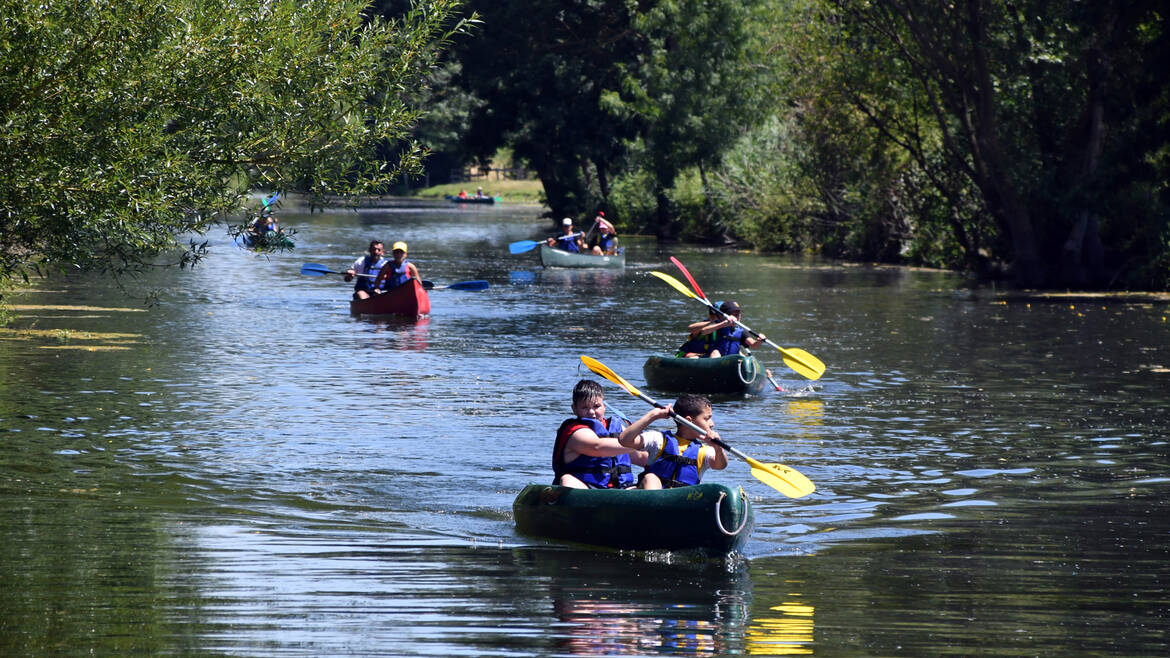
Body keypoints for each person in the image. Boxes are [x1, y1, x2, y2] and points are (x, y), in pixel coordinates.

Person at [618, 394, 728, 489]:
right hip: (652, 497)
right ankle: (655, 505)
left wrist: (718, 447)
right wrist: (653, 416)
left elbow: (720, 465)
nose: (712, 423)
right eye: (707, 418)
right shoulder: (658, 439)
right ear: (689, 421)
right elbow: (624, 440)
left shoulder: (705, 451)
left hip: (681, 501)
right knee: (650, 478)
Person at [552, 380, 648, 489]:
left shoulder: (617, 429)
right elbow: (597, 447)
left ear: (604, 406)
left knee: (650, 477)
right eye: (585, 407)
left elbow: (641, 457)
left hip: (622, 490)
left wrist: (661, 447)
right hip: (587, 489)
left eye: (596, 406)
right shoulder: (574, 432)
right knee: (567, 480)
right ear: (574, 409)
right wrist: (645, 440)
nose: (591, 412)